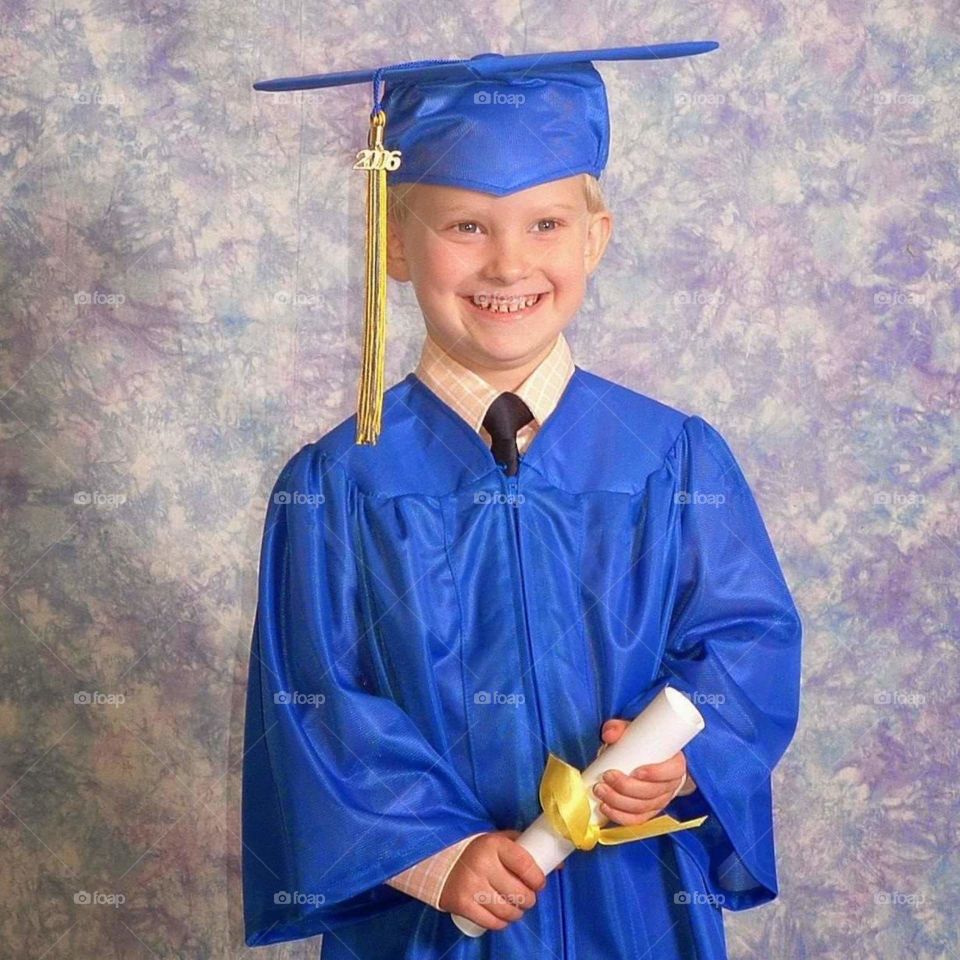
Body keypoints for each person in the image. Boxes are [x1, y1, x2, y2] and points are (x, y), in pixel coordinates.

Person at [242, 44, 803, 960]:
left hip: (633, 904)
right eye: (465, 226)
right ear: (392, 242)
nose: (508, 264)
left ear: (597, 238)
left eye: (546, 224)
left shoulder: (670, 458)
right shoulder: (339, 484)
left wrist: (681, 762)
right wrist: (437, 852)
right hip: (438, 921)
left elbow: (749, 642)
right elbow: (316, 703)